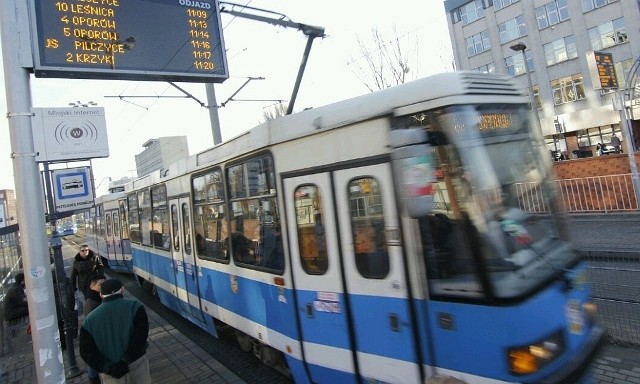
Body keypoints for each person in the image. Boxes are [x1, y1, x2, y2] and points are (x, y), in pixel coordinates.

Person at [79, 279, 150, 383]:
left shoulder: (89, 321)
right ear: (122, 290)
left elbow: (86, 351)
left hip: (111, 375)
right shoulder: (135, 307)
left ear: (101, 295)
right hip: (136, 365)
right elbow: (140, 337)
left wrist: (107, 367)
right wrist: (126, 360)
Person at [82, 274, 106, 384]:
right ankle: (93, 378)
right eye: (100, 284)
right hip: (96, 338)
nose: (103, 286)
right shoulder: (92, 303)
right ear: (92, 286)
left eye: (104, 284)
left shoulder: (97, 298)